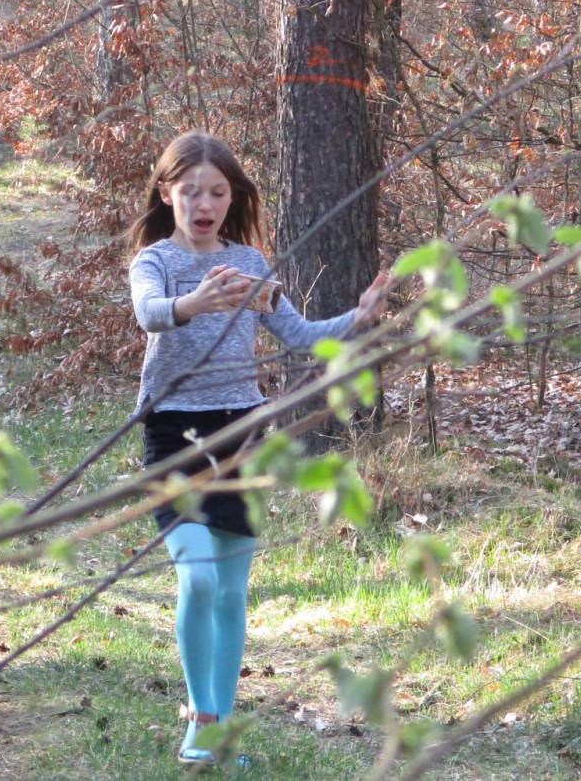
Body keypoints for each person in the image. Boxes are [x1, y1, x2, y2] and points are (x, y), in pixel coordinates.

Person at [127, 131, 387, 765]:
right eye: (191, 192)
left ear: (233, 197)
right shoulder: (155, 261)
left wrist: (359, 318)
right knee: (197, 577)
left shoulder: (249, 264)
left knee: (231, 591)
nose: (205, 204)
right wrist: (195, 303)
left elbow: (300, 335)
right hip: (174, 435)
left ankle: (218, 732)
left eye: (217, 192)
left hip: (241, 434)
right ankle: (201, 721)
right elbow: (149, 312)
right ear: (167, 193)